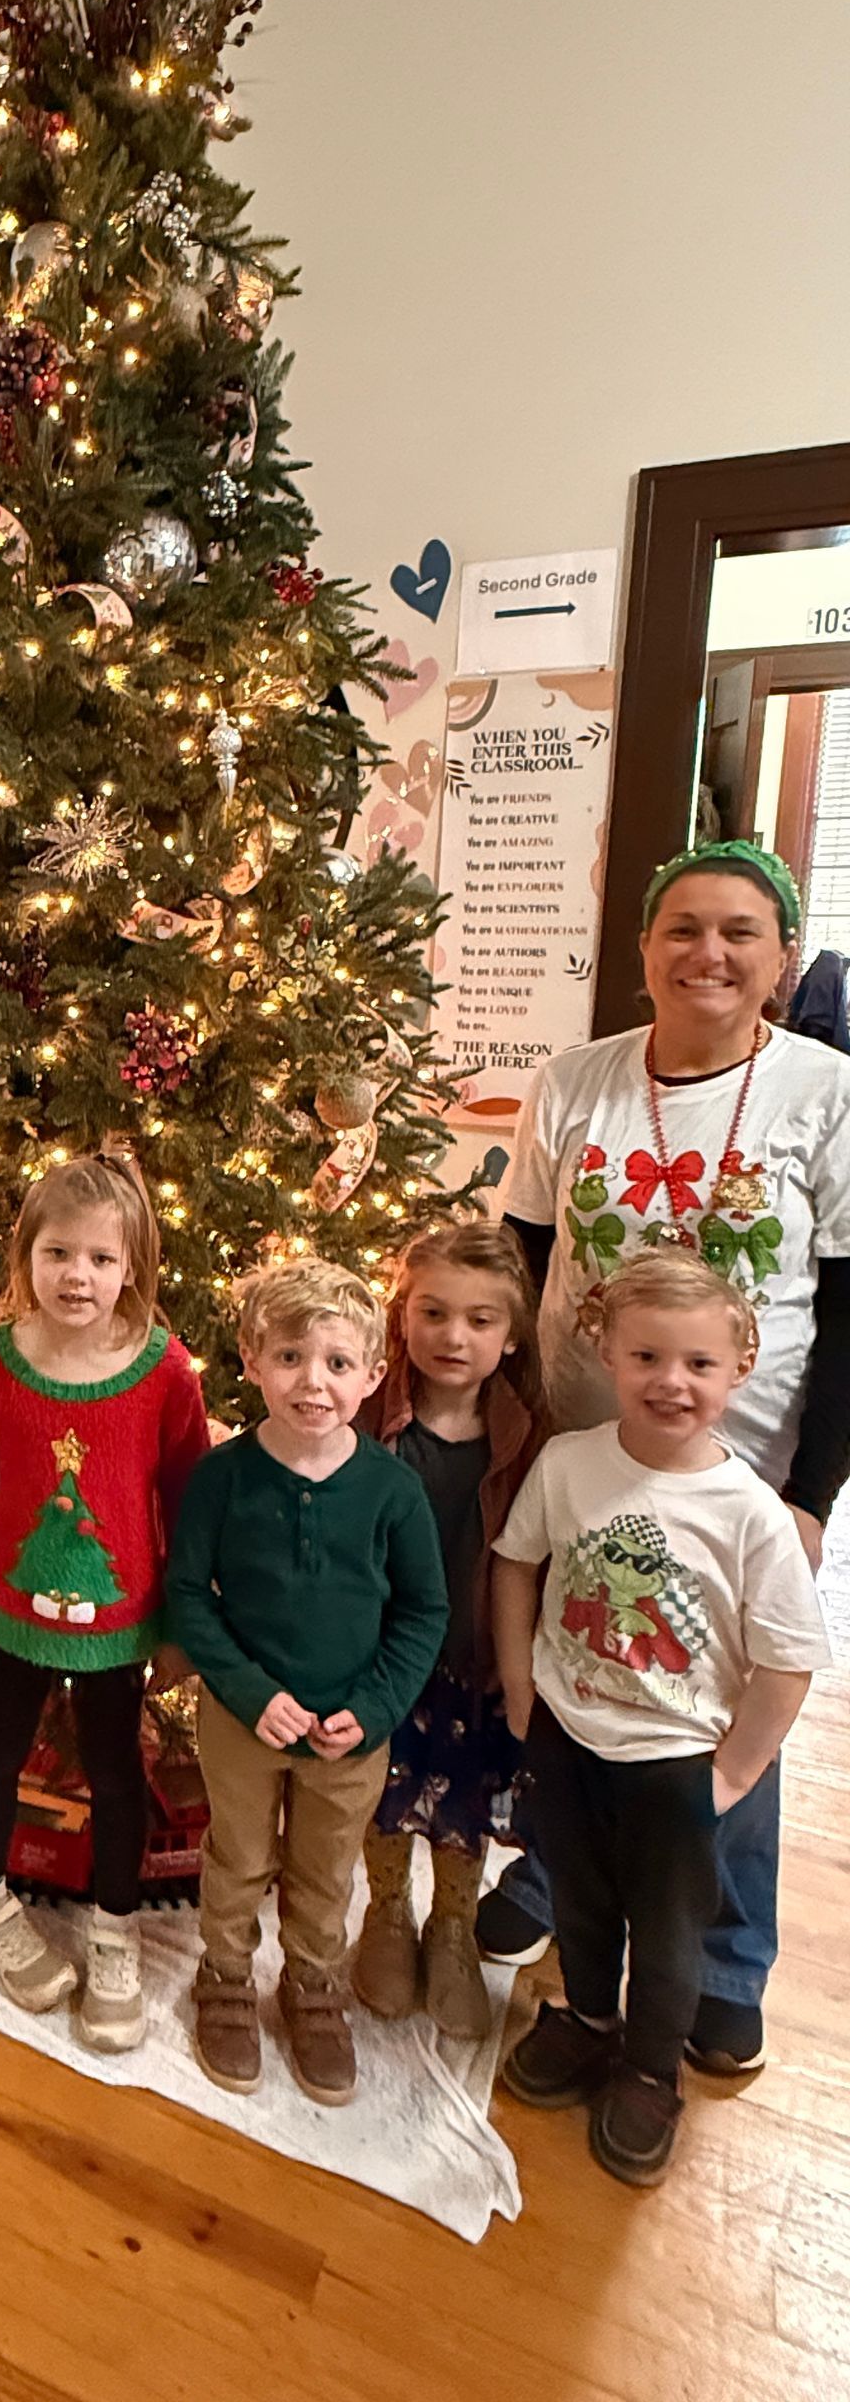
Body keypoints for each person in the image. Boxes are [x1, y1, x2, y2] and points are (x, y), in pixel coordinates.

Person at [480, 839, 850, 2075]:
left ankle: (728, 1953)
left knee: (720, 1701)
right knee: (589, 1657)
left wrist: (812, 1492)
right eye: (682, 926)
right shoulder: (575, 1080)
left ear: (781, 955)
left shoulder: (826, 1091)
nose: (709, 953)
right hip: (585, 1447)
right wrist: (517, 1417)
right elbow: (526, 1254)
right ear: (642, 946)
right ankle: (560, 1876)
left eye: (741, 931)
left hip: (742, 1466)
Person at [493, 1251, 829, 2186]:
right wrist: (521, 1685)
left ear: (740, 1369)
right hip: (569, 1734)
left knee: (670, 1930)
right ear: (607, 1354)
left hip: (676, 1760)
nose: (670, 1381)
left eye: (698, 1364)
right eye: (647, 1357)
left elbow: (788, 1659)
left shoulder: (751, 1514)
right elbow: (517, 1562)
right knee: (581, 1899)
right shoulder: (569, 1463)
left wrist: (735, 1773)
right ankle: (588, 2018)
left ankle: (650, 2069)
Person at [166, 1259, 446, 2104]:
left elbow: (422, 1612)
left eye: (336, 1363)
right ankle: (225, 1975)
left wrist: (375, 1707)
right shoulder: (222, 1477)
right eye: (289, 1357)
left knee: (326, 1869)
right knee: (239, 1855)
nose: (313, 1382)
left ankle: (313, 1983)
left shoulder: (394, 1491)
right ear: (251, 1361)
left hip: (350, 1733)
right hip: (241, 1721)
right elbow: (188, 1595)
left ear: (373, 1375)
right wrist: (249, 1693)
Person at [0, 1154, 209, 2054]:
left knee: (115, 1766)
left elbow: (186, 1498)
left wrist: (179, 1625)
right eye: (58, 1253)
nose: (78, 1276)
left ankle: (115, 1925)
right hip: (9, 1609)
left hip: (120, 1620)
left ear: (131, 1266)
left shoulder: (166, 1372)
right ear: (26, 1255)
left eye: (100, 1259)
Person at [352, 1223, 546, 2039]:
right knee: (383, 1795)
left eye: (479, 1320)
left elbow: (535, 1560)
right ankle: (387, 1914)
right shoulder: (367, 1412)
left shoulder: (529, 1436)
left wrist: (520, 1666)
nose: (453, 1337)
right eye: (432, 1313)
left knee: (464, 1804)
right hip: (380, 1660)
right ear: (402, 1316)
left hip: (475, 1662)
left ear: (511, 1336)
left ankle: (454, 1929)